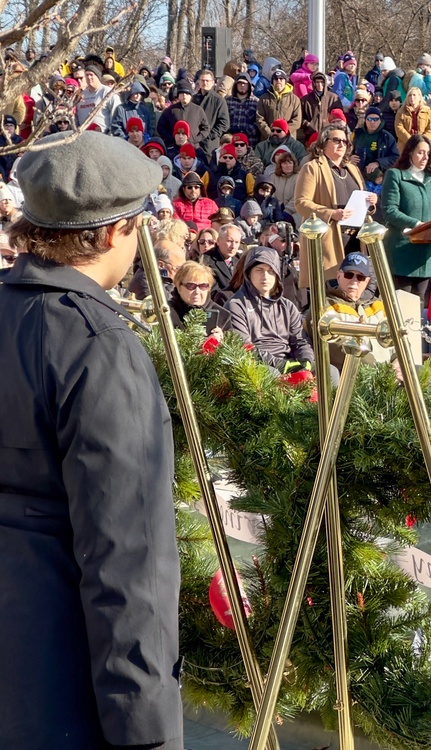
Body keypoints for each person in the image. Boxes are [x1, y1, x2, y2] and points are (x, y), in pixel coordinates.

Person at [0, 129, 183, 748]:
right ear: (111, 233)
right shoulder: (96, 346)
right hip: (60, 691)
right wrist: (148, 727)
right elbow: (127, 555)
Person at [293, 122, 377, 286]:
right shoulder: (312, 168)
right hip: (329, 241)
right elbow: (301, 203)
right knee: (330, 294)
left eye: (345, 141)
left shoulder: (353, 169)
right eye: (337, 140)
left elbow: (361, 199)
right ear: (324, 143)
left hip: (355, 241)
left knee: (352, 294)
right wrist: (331, 213)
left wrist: (371, 203)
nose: (342, 144)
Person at [382, 134, 431, 306]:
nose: (425, 157)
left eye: (428, 154)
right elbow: (390, 210)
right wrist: (416, 225)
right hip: (401, 252)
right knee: (401, 305)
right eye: (420, 152)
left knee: (420, 306)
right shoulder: (396, 175)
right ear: (410, 152)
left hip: (425, 256)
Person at [224, 245, 315, 376]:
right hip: (258, 365)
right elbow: (244, 347)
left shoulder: (287, 306)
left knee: (329, 371)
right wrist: (282, 365)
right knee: (270, 374)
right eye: (259, 270)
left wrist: (306, 360)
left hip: (290, 361)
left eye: (271, 271)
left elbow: (301, 341)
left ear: (277, 274)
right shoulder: (236, 305)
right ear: (249, 273)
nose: (265, 276)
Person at [169, 260, 231, 341]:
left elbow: (235, 348)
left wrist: (222, 343)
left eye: (203, 286)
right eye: (191, 286)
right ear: (179, 287)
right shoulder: (168, 313)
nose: (197, 291)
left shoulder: (222, 316)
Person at [394, 86, 431, 150]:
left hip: (422, 146)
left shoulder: (428, 112)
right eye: (410, 95)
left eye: (414, 95)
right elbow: (399, 128)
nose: (412, 97)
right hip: (405, 146)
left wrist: (421, 141)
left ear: (419, 97)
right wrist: (411, 141)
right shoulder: (401, 111)